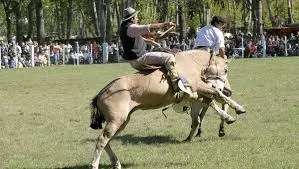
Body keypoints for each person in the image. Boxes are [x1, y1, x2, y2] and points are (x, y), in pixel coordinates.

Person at [119, 7, 196, 100]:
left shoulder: (124, 28)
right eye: (136, 17)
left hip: (134, 60)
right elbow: (149, 27)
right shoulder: (132, 27)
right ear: (132, 19)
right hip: (140, 59)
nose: (137, 19)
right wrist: (165, 24)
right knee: (169, 57)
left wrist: (150, 42)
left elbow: (136, 39)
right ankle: (177, 86)